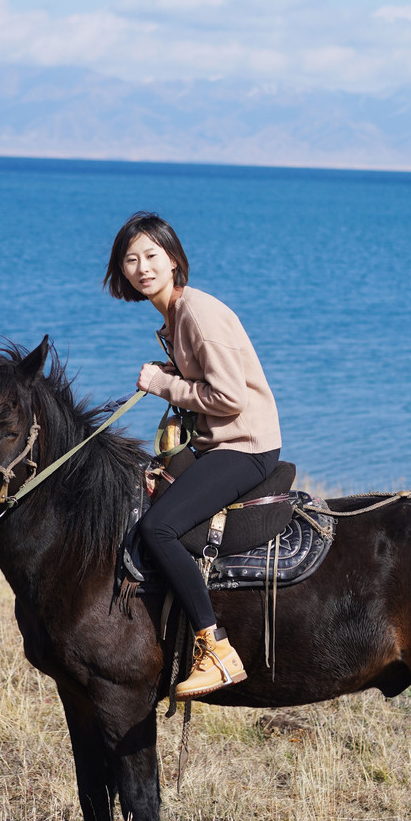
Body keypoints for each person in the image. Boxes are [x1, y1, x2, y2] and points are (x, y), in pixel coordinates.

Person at [104, 212, 281, 698]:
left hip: (245, 445)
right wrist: (174, 373)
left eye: (152, 256)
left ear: (174, 259)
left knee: (158, 527)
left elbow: (230, 399)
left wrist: (164, 384)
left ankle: (216, 648)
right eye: (131, 259)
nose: (142, 267)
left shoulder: (196, 312)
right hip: (215, 442)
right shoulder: (173, 317)